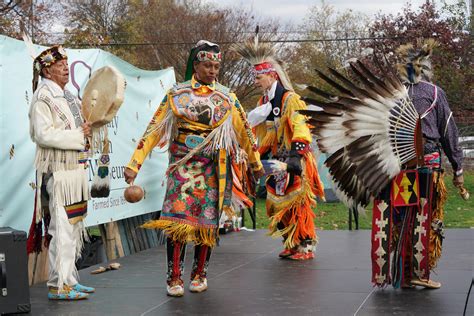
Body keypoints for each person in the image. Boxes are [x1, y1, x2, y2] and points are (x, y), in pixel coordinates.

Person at [124, 40, 263, 297]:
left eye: (216, 66)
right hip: (182, 162)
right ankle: (174, 277)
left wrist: (255, 164)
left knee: (206, 223)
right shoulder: (177, 94)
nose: (212, 70)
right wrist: (135, 163)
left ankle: (200, 274)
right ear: (196, 66)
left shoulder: (227, 98)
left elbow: (244, 132)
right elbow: (154, 129)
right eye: (207, 65)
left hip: (212, 166)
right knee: (176, 220)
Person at [378, 39, 464, 289]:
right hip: (426, 166)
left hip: (397, 166)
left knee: (402, 217)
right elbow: (449, 132)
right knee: (425, 217)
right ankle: (415, 272)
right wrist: (458, 168)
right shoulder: (435, 93)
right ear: (426, 68)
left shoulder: (393, 95)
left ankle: (403, 272)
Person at [233, 38, 325, 260]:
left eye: (259, 76)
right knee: (277, 203)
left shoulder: (289, 99)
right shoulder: (263, 102)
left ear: (272, 75)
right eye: (255, 77)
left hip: (294, 160)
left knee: (297, 203)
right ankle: (290, 242)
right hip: (275, 161)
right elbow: (259, 133)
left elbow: (301, 125)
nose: (255, 81)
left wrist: (296, 155)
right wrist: (253, 153)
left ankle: (306, 246)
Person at [26, 45, 95, 300]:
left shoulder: (68, 96)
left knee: (73, 229)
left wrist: (88, 131)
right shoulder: (42, 96)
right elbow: (42, 135)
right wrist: (79, 136)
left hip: (75, 170)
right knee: (62, 229)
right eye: (60, 64)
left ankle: (69, 279)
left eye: (67, 63)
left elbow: (82, 128)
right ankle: (57, 285)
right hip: (59, 172)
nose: (66, 67)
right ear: (46, 68)